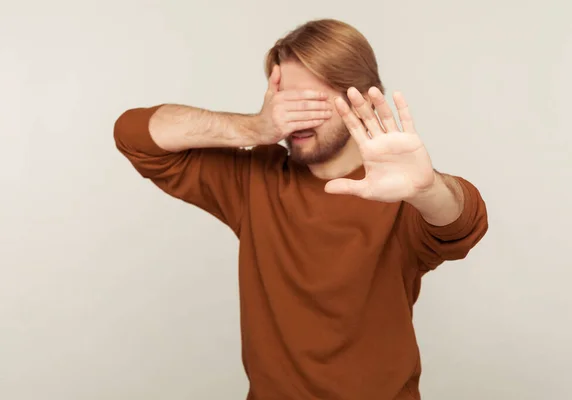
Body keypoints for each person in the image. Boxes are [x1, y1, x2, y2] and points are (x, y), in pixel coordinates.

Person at [114, 18, 488, 400]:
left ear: (360, 97)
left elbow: (463, 222)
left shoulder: (399, 192)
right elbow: (135, 135)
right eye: (285, 101)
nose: (294, 117)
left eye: (311, 100)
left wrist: (428, 189)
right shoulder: (255, 178)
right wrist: (253, 129)